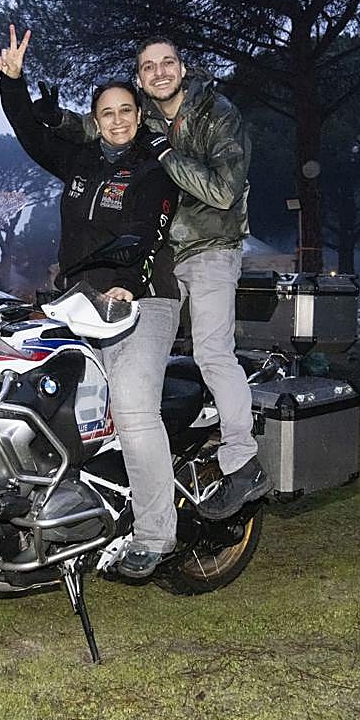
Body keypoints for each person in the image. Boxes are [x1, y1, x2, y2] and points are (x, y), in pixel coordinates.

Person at [38, 35, 271, 522]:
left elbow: (222, 192)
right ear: (141, 77)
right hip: (163, 255)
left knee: (212, 352)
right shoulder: (143, 114)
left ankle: (242, 462)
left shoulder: (217, 114)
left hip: (209, 248)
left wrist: (164, 154)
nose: (159, 72)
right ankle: (137, 467)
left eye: (167, 63)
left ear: (182, 69)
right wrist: (55, 118)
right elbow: (97, 125)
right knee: (132, 361)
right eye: (148, 66)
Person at [0, 25, 180, 578]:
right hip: (78, 304)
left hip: (144, 299)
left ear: (139, 116)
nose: (118, 120)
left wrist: (129, 283)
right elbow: (30, 134)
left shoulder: (155, 168)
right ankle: (72, 523)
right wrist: (12, 83)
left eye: (126, 110)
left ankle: (155, 535)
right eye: (107, 113)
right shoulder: (79, 162)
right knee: (59, 409)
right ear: (96, 120)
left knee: (132, 408)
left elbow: (150, 232)